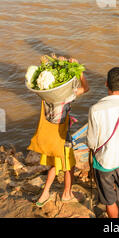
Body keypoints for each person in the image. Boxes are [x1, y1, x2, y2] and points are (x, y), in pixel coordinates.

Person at [32, 56, 89, 207]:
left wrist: (58, 64)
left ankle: (44, 194)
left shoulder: (45, 96)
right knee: (68, 165)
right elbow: (85, 88)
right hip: (62, 135)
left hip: (50, 135)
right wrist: (79, 70)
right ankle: (66, 194)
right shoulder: (65, 97)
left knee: (54, 164)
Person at [87, 67, 119, 219]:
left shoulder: (95, 109)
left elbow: (91, 142)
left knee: (109, 201)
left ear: (106, 84)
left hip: (103, 163)